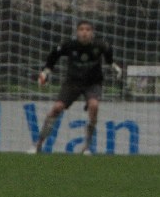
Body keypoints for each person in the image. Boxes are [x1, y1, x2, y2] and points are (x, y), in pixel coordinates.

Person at [35, 20, 121, 154]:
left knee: (94, 106)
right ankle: (38, 144)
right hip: (72, 83)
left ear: (92, 33)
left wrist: (114, 66)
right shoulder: (69, 45)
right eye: (81, 29)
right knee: (56, 108)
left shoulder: (101, 46)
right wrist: (45, 72)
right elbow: (53, 56)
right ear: (77, 32)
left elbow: (109, 57)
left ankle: (87, 147)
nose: (84, 32)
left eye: (87, 29)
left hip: (93, 83)